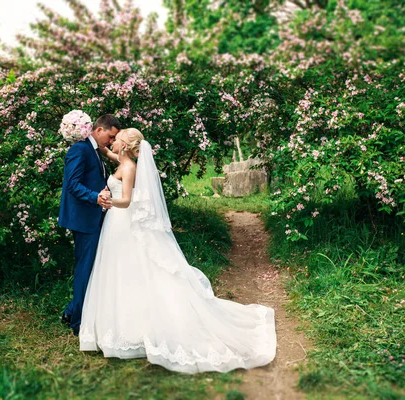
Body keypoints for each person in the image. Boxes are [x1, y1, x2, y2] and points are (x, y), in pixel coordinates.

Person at [79, 128, 277, 373]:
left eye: (117, 140)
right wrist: (96, 145)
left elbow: (127, 200)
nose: (113, 141)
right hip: (115, 225)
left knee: (130, 271)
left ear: (126, 147)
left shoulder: (129, 168)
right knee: (119, 273)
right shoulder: (122, 159)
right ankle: (119, 326)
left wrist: (105, 200)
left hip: (121, 219)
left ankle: (136, 329)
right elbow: (110, 153)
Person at [58, 114, 121, 336]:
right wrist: (95, 197)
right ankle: (78, 323)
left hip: (93, 217)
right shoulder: (80, 150)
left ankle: (71, 312)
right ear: (99, 130)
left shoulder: (94, 150)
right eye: (110, 136)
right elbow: (72, 184)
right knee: (85, 268)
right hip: (84, 219)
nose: (111, 141)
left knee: (90, 267)